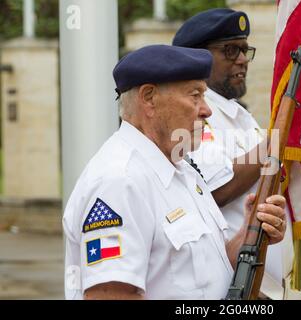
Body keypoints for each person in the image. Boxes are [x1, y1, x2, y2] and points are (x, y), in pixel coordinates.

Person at [63, 45, 287, 300]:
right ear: (149, 98)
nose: (207, 110)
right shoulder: (121, 181)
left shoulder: (181, 170)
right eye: (195, 95)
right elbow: (111, 295)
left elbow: (208, 271)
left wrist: (251, 232)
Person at [172, 8, 290, 298]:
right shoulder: (196, 116)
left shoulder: (241, 116)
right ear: (198, 56)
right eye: (229, 50)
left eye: (244, 50)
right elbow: (218, 188)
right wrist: (278, 141)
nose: (241, 60)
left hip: (264, 286)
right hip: (232, 286)